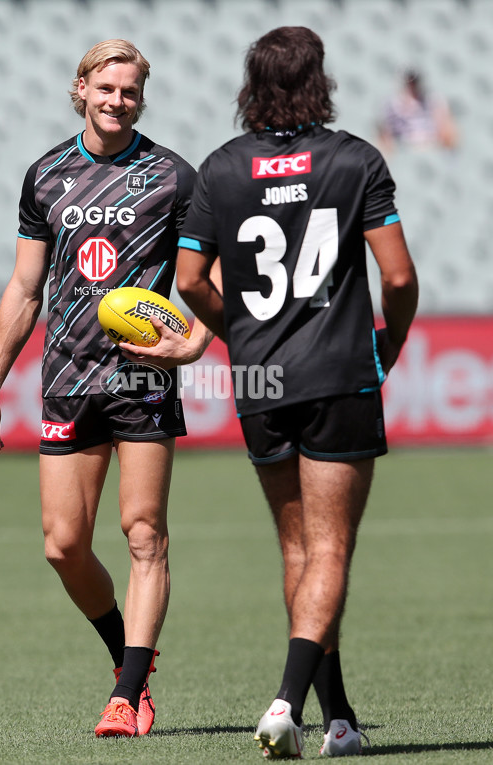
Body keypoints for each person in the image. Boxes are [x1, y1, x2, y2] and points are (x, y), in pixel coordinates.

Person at [177, 27, 418, 759]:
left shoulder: (219, 169)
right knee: (332, 546)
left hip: (259, 378)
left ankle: (338, 717)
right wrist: (389, 346)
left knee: (297, 548)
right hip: (338, 372)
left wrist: (240, 334)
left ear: (251, 84)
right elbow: (400, 277)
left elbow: (189, 282)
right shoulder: (355, 160)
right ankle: (286, 701)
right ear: (320, 80)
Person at [0, 39, 213, 739]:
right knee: (63, 544)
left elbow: (212, 277)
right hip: (67, 379)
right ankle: (126, 657)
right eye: (105, 88)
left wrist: (193, 342)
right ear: (80, 89)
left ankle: (128, 695)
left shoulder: (173, 176)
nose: (117, 101)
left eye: (130, 91)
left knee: (145, 535)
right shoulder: (45, 174)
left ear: (142, 98)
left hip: (141, 381)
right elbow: (24, 289)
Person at [377, 68, 458, 155]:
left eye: (414, 83)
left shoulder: (432, 100)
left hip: (431, 147)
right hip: (404, 148)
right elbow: (385, 133)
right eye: (409, 83)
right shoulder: (392, 104)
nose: (412, 86)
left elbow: (446, 129)